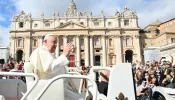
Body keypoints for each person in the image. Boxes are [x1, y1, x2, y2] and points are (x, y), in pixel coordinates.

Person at [29, 34, 83, 100]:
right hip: (52, 86)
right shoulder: (41, 51)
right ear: (45, 41)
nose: (56, 45)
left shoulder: (47, 53)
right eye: (54, 42)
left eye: (56, 43)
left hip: (57, 84)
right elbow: (50, 68)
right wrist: (64, 54)